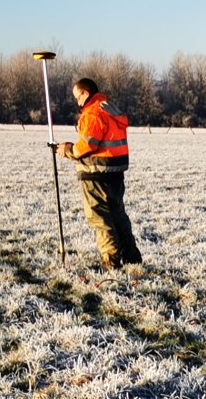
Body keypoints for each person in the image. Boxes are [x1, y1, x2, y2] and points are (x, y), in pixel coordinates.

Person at [54, 77, 142, 268]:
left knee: (99, 218)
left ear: (85, 93)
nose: (77, 102)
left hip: (95, 174)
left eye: (77, 97)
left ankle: (110, 260)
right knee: (118, 216)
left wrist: (67, 150)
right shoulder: (110, 109)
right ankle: (132, 257)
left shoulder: (92, 113)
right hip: (115, 173)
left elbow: (87, 145)